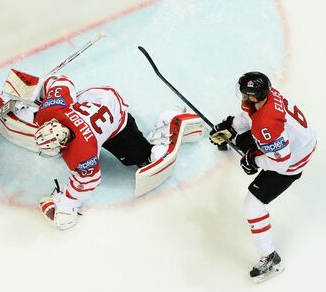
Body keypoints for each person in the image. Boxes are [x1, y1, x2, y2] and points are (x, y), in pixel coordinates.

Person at [33, 75, 202, 230]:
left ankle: (169, 122)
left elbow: (89, 181)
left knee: (142, 158)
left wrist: (68, 202)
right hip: (96, 98)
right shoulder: (51, 111)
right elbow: (61, 81)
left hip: (115, 117)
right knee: (67, 102)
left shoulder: (83, 153)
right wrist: (37, 91)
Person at [209, 72, 316, 283]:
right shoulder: (267, 98)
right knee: (241, 141)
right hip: (298, 139)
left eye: (244, 94)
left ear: (253, 96)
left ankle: (270, 258)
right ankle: (242, 143)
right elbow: (251, 117)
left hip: (293, 161)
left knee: (252, 206)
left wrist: (253, 161)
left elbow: (281, 162)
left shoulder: (267, 126)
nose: (242, 97)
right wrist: (231, 127)